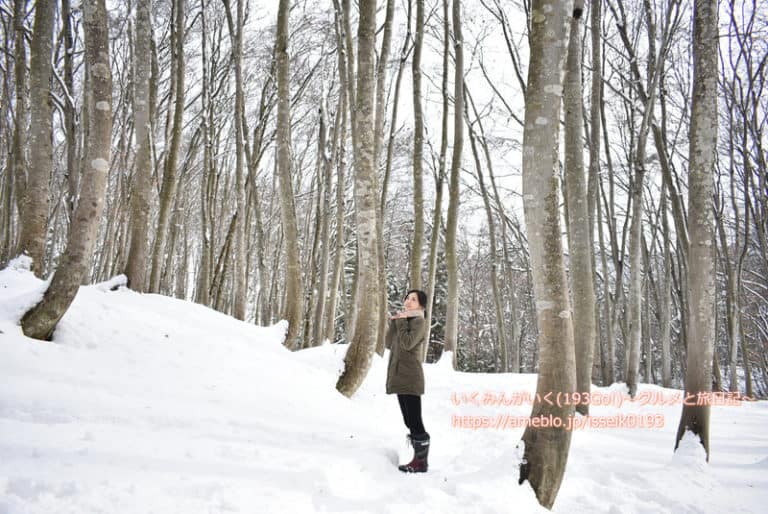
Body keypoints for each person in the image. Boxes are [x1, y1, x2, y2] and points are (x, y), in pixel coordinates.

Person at [385, 289, 430, 473]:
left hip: (411, 376)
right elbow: (389, 343)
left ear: (421, 305)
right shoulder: (405, 320)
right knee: (408, 420)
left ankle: (421, 462)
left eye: (414, 299)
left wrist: (402, 321)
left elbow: (407, 343)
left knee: (415, 420)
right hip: (399, 375)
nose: (409, 301)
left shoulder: (419, 321)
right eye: (408, 298)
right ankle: (417, 459)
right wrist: (394, 323)